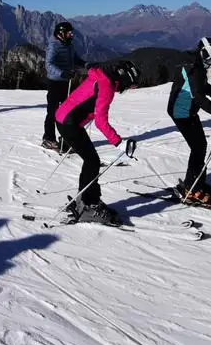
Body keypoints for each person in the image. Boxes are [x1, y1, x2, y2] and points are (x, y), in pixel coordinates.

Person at [54, 60, 141, 225]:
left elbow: (88, 95)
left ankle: (87, 200)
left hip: (64, 117)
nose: (127, 89)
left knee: (91, 161)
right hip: (69, 123)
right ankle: (87, 205)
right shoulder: (106, 88)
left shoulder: (101, 75)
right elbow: (101, 122)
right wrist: (119, 143)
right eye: (129, 85)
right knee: (92, 161)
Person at [166, 36, 211, 205]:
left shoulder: (196, 64)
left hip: (187, 111)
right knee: (198, 148)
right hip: (181, 112)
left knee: (200, 147)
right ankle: (191, 189)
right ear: (205, 54)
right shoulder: (194, 68)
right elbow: (200, 97)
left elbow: (204, 87)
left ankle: (196, 183)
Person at [42, 21, 85, 151]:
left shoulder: (69, 46)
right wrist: (62, 73)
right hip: (55, 83)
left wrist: (86, 64)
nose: (71, 35)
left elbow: (75, 59)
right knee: (53, 112)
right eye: (69, 33)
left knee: (68, 112)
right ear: (61, 34)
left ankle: (67, 138)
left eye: (71, 33)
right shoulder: (54, 46)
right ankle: (48, 139)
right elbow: (48, 64)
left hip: (67, 82)